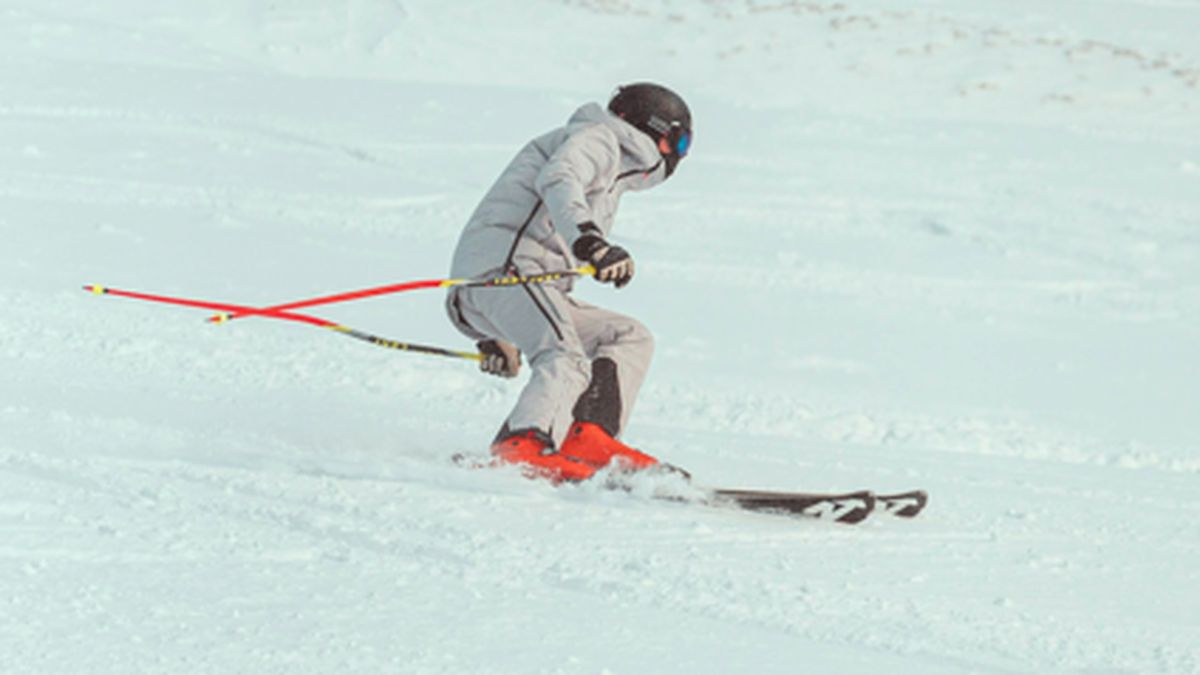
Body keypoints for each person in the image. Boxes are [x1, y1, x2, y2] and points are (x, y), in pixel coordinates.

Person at [445, 82, 693, 482]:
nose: (677, 157)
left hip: (521, 286)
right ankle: (521, 445)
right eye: (677, 144)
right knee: (565, 356)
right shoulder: (599, 139)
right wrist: (591, 243)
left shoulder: (610, 169)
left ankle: (589, 437)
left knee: (629, 336)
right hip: (505, 274)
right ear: (653, 129)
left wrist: (494, 336)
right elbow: (560, 179)